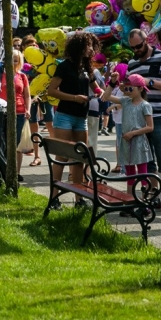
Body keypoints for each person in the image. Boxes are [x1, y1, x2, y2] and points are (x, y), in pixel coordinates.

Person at [46, 32, 101, 207]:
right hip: (65, 116)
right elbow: (52, 91)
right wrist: (74, 98)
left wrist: (112, 85)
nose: (91, 49)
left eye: (92, 45)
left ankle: (79, 199)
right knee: (62, 156)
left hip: (81, 117)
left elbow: (97, 89)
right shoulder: (64, 66)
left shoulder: (87, 68)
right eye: (88, 45)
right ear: (78, 47)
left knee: (80, 157)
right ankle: (54, 198)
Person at [101, 73, 153, 198]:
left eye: (131, 88)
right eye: (126, 88)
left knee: (142, 173)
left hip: (139, 143)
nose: (127, 91)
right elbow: (106, 96)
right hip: (127, 142)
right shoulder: (125, 101)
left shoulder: (145, 105)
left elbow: (150, 127)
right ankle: (129, 199)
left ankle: (144, 200)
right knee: (130, 173)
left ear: (140, 88)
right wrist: (112, 83)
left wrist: (133, 133)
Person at [125, 28, 161, 173]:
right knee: (146, 159)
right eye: (133, 47)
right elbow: (130, 91)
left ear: (146, 40)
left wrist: (148, 82)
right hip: (139, 117)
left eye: (139, 46)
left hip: (159, 115)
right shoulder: (132, 63)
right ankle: (151, 191)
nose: (136, 50)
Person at [0, 48, 31, 181]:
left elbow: (27, 95)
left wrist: (28, 109)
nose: (13, 62)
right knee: (4, 142)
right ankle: (4, 170)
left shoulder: (22, 76)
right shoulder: (0, 74)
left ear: (20, 62)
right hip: (3, 111)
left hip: (19, 112)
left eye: (16, 60)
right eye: (11, 59)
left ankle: (16, 173)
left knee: (17, 144)